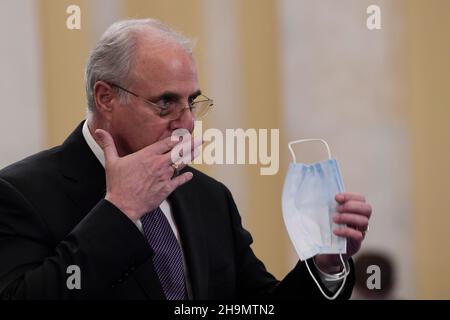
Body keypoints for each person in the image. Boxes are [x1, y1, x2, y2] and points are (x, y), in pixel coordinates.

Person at [0, 19, 372, 300]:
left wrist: (325, 265)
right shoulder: (21, 193)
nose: (187, 122)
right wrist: (120, 211)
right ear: (106, 98)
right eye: (166, 102)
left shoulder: (207, 196)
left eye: (191, 102)